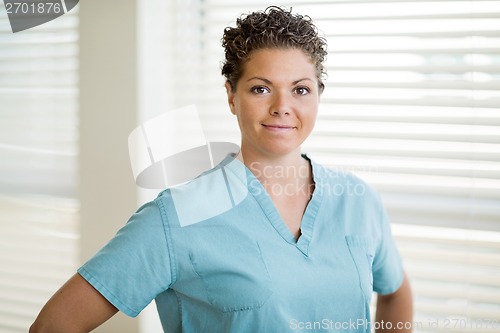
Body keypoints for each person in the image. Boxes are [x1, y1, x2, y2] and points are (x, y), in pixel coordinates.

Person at [30, 6, 413, 333]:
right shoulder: (176, 218)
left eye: (300, 89)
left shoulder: (357, 201)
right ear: (231, 96)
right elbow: (53, 325)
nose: (283, 106)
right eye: (261, 88)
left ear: (318, 96)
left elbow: (395, 291)